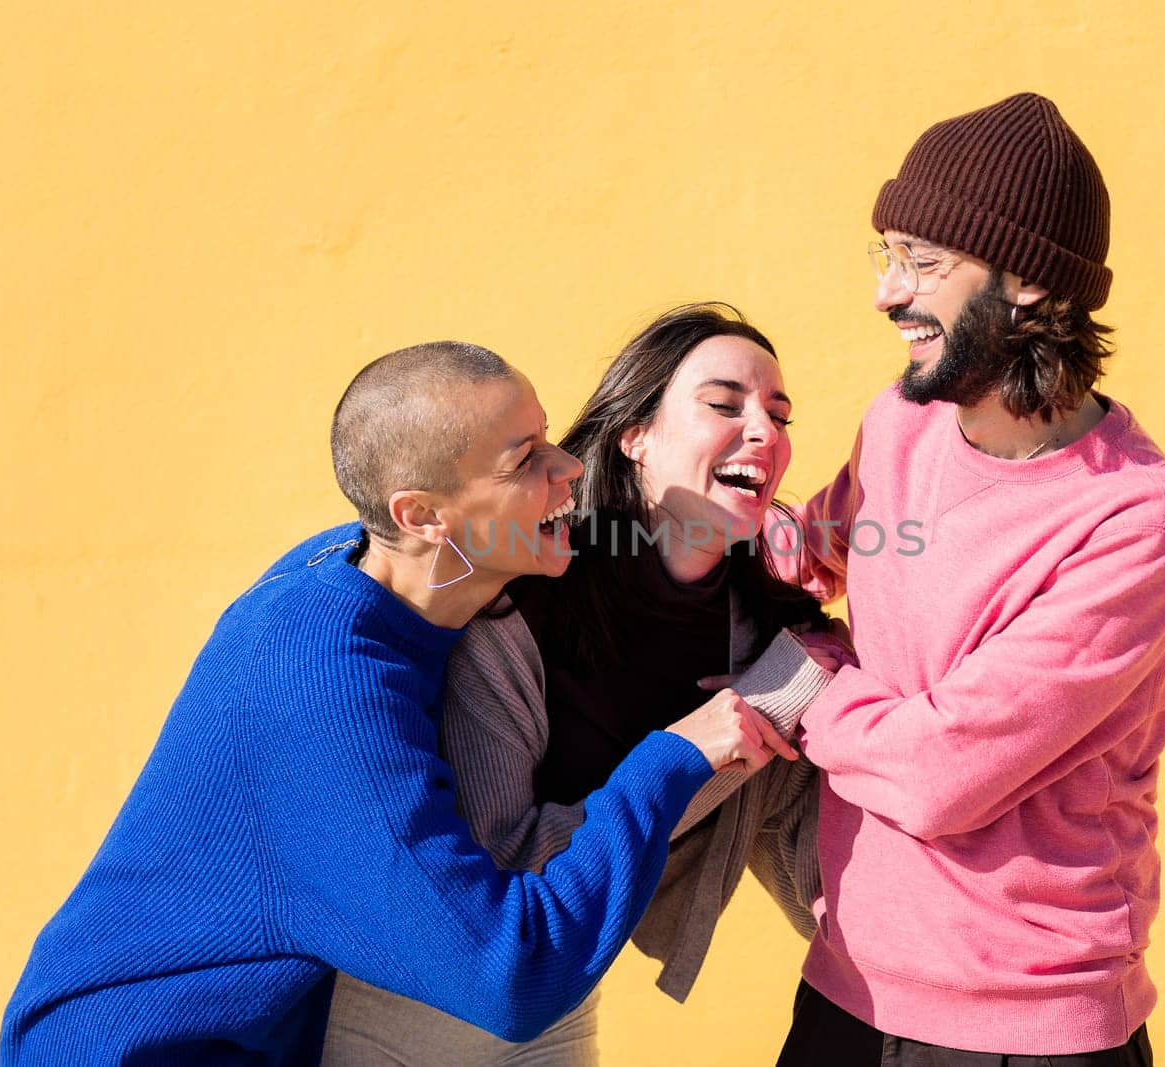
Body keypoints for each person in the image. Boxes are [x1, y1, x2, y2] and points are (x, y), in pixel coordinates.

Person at [0, 341, 797, 1065]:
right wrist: (675, 757)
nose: (569, 468)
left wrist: (780, 533)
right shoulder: (325, 686)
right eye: (525, 460)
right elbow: (509, 977)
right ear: (423, 514)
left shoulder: (364, 568)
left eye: (549, 437)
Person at [774, 94, 1165, 1065]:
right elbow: (803, 556)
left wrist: (803, 682)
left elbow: (938, 773)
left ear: (1031, 288)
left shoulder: (1135, 522)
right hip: (847, 984)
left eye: (923, 260)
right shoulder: (902, 423)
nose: (887, 291)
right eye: (884, 254)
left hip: (1027, 1026)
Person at [323, 304, 841, 1065]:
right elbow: (502, 867)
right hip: (405, 1001)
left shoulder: (770, 630)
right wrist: (740, 721)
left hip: (557, 995)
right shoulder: (521, 600)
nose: (766, 432)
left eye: (780, 413)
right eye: (724, 404)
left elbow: (817, 871)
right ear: (635, 435)